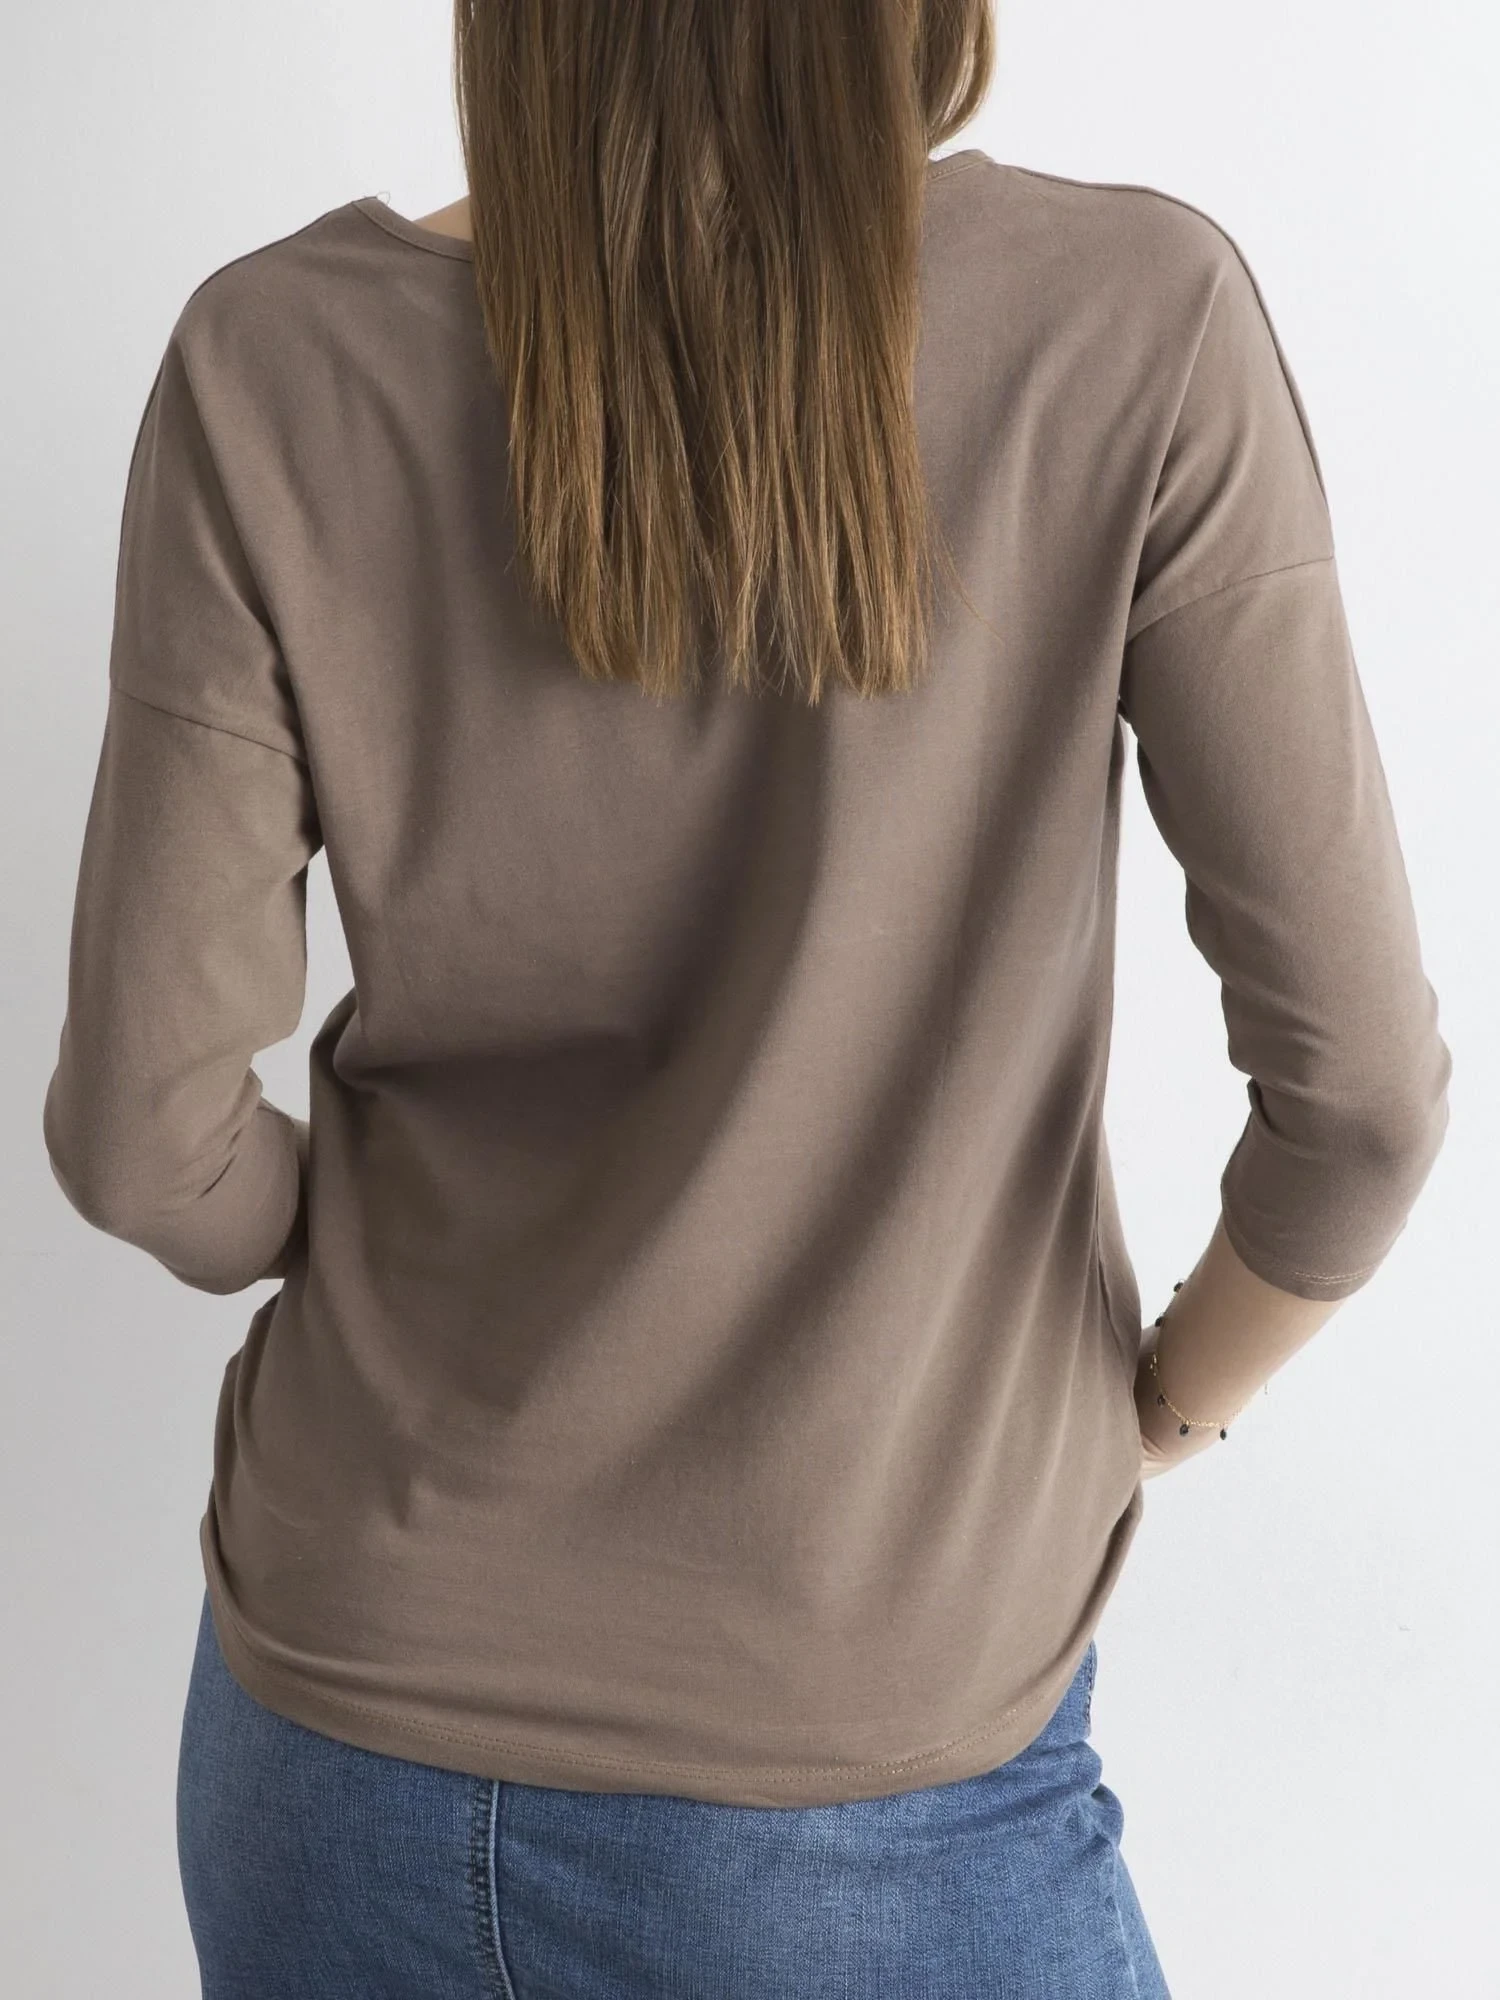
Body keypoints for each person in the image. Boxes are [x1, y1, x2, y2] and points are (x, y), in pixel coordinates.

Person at [40, 2, 1451, 1994]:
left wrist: (358, 1235)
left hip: (333, 1749)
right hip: (866, 1759)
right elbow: (1364, 1104)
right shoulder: (1131, 319)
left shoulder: (270, 358)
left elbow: (141, 1140)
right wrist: (1166, 1405)